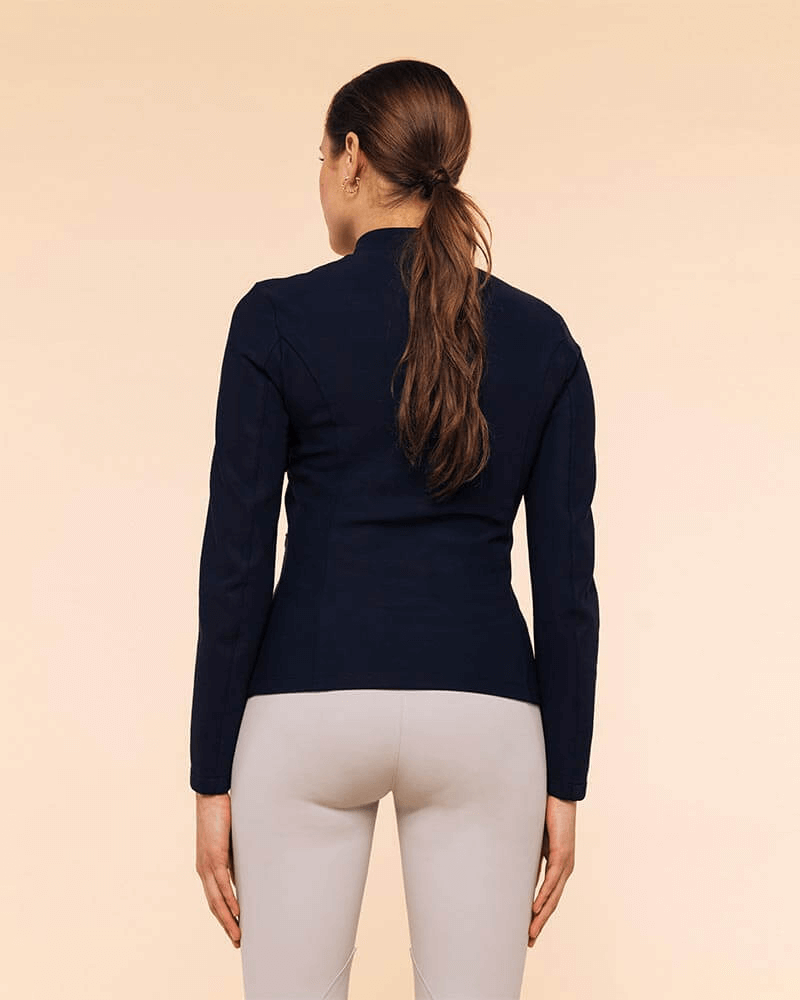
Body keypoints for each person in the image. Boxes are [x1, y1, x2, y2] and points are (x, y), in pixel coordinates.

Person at [189, 58, 599, 1000]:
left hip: (306, 705)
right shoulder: (543, 338)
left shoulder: (273, 318)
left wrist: (211, 775)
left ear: (352, 157)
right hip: (486, 713)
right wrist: (565, 781)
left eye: (321, 159)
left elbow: (236, 563)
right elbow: (567, 588)